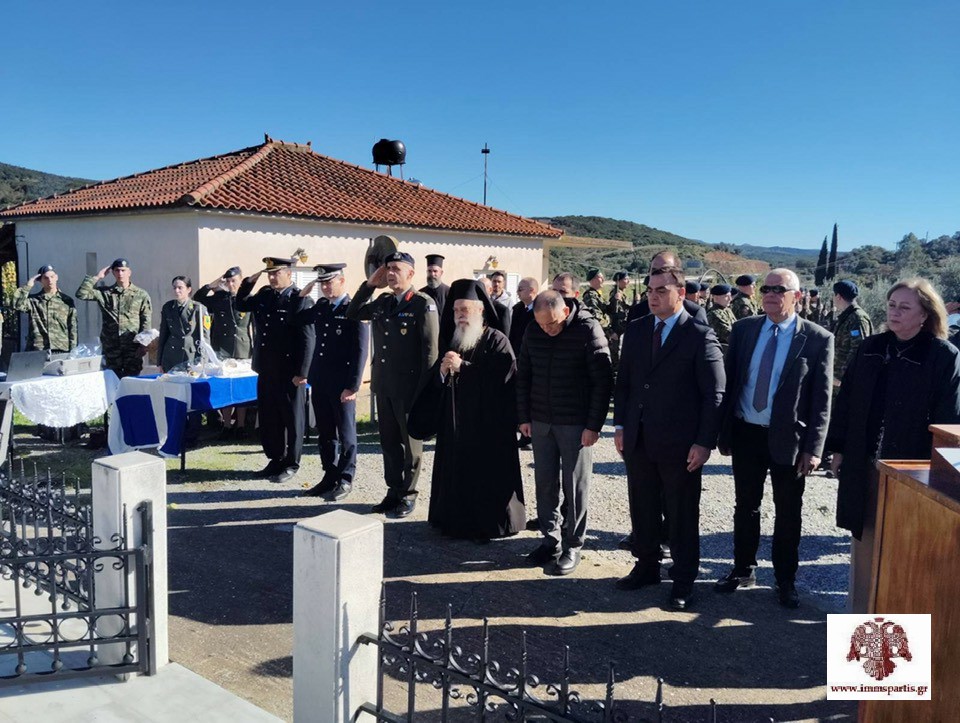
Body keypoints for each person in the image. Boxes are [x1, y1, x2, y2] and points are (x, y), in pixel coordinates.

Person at [826, 279, 960, 612]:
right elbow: (847, 401)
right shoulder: (871, 348)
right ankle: (862, 631)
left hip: (912, 475)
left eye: (904, 307)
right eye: (891, 305)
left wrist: (939, 475)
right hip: (864, 465)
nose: (894, 312)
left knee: (904, 559)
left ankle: (893, 638)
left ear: (925, 315)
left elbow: (949, 419)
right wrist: (838, 448)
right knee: (866, 550)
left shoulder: (943, 356)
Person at [715, 268, 834, 609]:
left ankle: (785, 580)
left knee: (788, 512)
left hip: (789, 441)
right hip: (747, 433)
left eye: (779, 289)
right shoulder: (744, 330)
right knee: (746, 506)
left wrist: (814, 448)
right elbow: (730, 382)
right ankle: (743, 570)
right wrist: (723, 430)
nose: (770, 294)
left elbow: (822, 399)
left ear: (796, 296)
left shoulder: (817, 338)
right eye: (766, 288)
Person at [613, 264, 725, 610]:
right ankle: (646, 566)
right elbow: (625, 383)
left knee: (681, 515)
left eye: (662, 290)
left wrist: (704, 442)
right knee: (642, 507)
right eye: (650, 290)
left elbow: (714, 394)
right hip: (639, 438)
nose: (653, 297)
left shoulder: (699, 334)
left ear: (681, 293)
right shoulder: (637, 329)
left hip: (680, 445)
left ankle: (683, 580)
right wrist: (620, 426)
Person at [410, 279, 526, 540]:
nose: (460, 315)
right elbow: (439, 381)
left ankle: (487, 525)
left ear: (480, 310)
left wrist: (464, 368)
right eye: (456, 310)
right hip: (456, 424)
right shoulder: (455, 340)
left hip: (488, 426)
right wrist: (442, 372)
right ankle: (453, 521)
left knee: (486, 476)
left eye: (465, 309)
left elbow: (503, 381)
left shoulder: (497, 340)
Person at [516, 290, 612, 576]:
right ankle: (550, 539)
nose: (547, 329)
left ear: (565, 311)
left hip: (575, 423)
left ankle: (574, 544)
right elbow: (524, 374)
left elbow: (602, 381)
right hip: (541, 420)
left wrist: (593, 426)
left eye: (552, 324)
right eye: (542, 324)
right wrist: (524, 417)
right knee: (545, 483)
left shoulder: (588, 329)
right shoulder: (533, 329)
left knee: (575, 485)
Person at [346, 250, 439, 517]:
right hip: (384, 384)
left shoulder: (422, 304)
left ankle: (408, 494)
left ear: (411, 273)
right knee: (388, 442)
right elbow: (353, 312)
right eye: (388, 269)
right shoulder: (383, 301)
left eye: (396, 268)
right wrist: (369, 285)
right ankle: (394, 490)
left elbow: (430, 353)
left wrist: (424, 392)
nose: (390, 273)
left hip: (409, 389)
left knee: (411, 446)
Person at [235, 256, 315, 483]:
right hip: (266, 366)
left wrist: (303, 372)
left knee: (292, 417)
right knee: (270, 416)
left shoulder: (299, 298)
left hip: (290, 370)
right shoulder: (265, 295)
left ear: (289, 274)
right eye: (269, 274)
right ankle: (275, 458)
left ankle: (291, 462)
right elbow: (241, 304)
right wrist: (248, 283)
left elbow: (308, 338)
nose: (272, 278)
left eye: (276, 273)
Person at [299, 263, 370, 501]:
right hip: (320, 380)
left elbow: (360, 351)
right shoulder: (321, 307)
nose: (326, 288)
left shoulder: (353, 309)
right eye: (323, 284)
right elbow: (296, 318)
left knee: (346, 433)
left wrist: (353, 386)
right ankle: (329, 475)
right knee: (325, 432)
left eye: (330, 282)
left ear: (342, 281)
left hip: (342, 384)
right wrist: (303, 294)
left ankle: (345, 478)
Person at [194, 266, 254, 436]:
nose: (230, 284)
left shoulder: (248, 299)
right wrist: (212, 285)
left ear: (240, 280)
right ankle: (227, 425)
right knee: (226, 387)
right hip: (222, 348)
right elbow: (198, 298)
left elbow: (254, 326)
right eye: (227, 281)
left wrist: (255, 349)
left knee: (240, 388)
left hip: (242, 348)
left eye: (233, 281)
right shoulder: (219, 298)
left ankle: (240, 426)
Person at [76, 258, 152, 378]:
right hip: (111, 346)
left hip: (132, 347)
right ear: (113, 273)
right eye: (117, 270)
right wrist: (98, 277)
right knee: (111, 380)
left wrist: (144, 345)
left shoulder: (141, 294)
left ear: (129, 272)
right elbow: (81, 294)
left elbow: (146, 321)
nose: (120, 273)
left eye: (123, 270)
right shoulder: (105, 293)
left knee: (131, 381)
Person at [626, 252, 707, 325]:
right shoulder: (636, 312)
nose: (659, 274)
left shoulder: (695, 313)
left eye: (665, 270)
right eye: (654, 271)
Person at [12, 265, 77, 353]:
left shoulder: (66, 301)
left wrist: (73, 351)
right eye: (46, 278)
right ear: (40, 280)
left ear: (56, 277)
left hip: (61, 348)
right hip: (38, 349)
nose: (50, 280)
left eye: (52, 277)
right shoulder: (34, 301)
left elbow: (73, 327)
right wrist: (28, 285)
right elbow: (16, 305)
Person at [510, 277, 539, 449]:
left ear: (532, 290)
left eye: (521, 289)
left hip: (533, 358)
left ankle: (529, 436)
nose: (518, 292)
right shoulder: (518, 309)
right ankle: (522, 430)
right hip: (518, 357)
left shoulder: (539, 309)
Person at [157, 276, 207, 372]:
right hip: (171, 356)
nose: (177, 291)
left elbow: (205, 337)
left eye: (180, 288)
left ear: (188, 289)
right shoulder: (168, 307)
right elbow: (163, 335)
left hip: (191, 356)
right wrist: (159, 362)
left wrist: (203, 361)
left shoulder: (198, 309)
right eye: (174, 288)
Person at [831, 280, 873, 387]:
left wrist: (842, 376)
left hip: (845, 380)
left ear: (838, 296)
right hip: (838, 378)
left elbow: (859, 349)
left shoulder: (857, 318)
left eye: (834, 295)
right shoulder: (847, 316)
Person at [606, 271, 630, 373]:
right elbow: (617, 313)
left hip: (620, 327)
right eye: (625, 279)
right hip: (616, 327)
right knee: (615, 354)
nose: (628, 281)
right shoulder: (616, 294)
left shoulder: (621, 293)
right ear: (618, 281)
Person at [706, 284, 736, 352]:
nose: (730, 299)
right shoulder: (714, 314)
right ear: (716, 298)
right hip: (722, 350)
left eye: (730, 296)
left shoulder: (727, 310)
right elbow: (728, 334)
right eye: (726, 296)